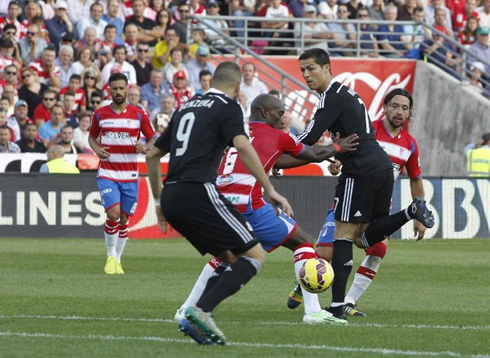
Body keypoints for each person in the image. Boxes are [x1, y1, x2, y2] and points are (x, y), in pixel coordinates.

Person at [173, 93, 359, 326]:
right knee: (302, 240)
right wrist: (338, 147)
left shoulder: (236, 131)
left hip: (221, 202)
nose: (283, 118)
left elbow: (277, 161)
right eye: (279, 113)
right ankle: (312, 312)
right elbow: (315, 153)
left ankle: (185, 309)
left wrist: (323, 155)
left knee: (226, 257)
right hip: (249, 203)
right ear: (264, 112)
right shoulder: (277, 135)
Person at [145, 62, 293, 346]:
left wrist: (159, 202)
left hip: (172, 196)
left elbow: (152, 156)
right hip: (198, 190)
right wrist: (269, 188)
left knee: (230, 259)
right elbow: (243, 145)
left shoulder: (186, 106)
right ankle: (199, 311)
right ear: (238, 87)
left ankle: (196, 315)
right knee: (256, 256)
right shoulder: (228, 107)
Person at [290, 48, 434, 320]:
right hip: (380, 170)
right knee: (365, 237)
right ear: (386, 108)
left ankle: (335, 308)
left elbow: (309, 137)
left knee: (342, 237)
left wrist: (278, 154)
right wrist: (338, 155)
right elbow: (355, 138)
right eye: (302, 71)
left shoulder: (330, 96)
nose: (306, 75)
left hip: (361, 172)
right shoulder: (349, 96)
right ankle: (408, 212)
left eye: (311, 68)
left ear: (327, 68)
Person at [89, 72, 157, 276]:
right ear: (109, 90)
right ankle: (110, 255)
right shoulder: (100, 114)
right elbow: (92, 137)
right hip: (108, 172)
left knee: (125, 219)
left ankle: (118, 260)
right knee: (113, 214)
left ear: (128, 88)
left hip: (130, 175)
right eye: (114, 88)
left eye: (121, 88)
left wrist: (145, 146)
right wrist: (96, 149)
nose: (118, 92)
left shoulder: (138, 114)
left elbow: (153, 138)